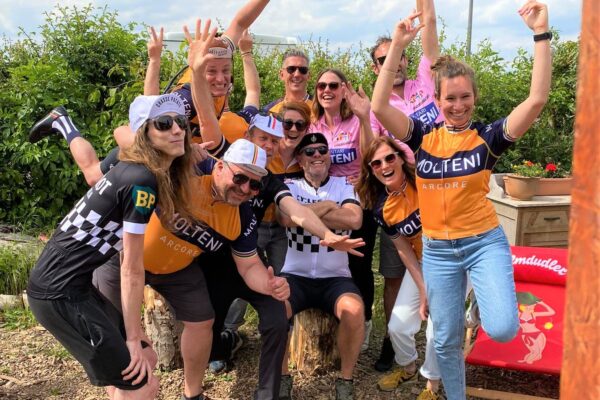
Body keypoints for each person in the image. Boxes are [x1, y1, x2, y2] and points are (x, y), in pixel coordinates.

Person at [371, 2, 552, 398]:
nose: (458, 106)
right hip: (438, 252)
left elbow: (537, 99)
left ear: (474, 96)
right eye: (450, 98)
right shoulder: (423, 138)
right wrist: (397, 46)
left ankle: (481, 302)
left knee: (502, 327)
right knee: (444, 340)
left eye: (465, 97)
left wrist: (541, 34)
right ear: (437, 99)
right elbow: (379, 106)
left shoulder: (487, 138)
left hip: (483, 243)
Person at [186, 22, 365, 398]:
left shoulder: (271, 178)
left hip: (253, 243)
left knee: (273, 301)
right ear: (249, 136)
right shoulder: (225, 154)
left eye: (275, 138)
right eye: (263, 137)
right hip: (214, 244)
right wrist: (201, 70)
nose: (269, 145)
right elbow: (213, 113)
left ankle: (270, 385)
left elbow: (292, 211)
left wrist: (327, 233)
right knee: (209, 316)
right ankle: (209, 365)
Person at [27, 93, 196, 400]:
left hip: (73, 285)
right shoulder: (142, 181)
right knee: (143, 384)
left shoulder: (132, 164)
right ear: (144, 134)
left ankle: (62, 122)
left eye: (181, 122)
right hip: (58, 293)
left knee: (147, 358)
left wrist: (134, 333)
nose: (177, 130)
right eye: (164, 123)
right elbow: (131, 267)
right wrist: (131, 336)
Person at [368, 0, 441, 371]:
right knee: (397, 273)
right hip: (405, 195)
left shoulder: (425, 80)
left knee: (443, 262)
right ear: (376, 67)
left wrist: (424, 7)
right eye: (385, 59)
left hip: (442, 185)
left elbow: (430, 27)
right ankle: (395, 346)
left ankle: (435, 370)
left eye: (398, 57)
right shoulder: (377, 107)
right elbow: (376, 154)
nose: (394, 63)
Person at [277, 133, 365, 400]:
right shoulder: (289, 186)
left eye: (322, 150)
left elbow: (354, 220)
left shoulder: (344, 184)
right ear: (300, 159)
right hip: (295, 275)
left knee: (355, 310)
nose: (317, 155)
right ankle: (282, 376)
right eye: (310, 151)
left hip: (335, 277)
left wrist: (305, 213)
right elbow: (285, 219)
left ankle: (345, 380)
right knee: (275, 309)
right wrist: (327, 205)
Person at [356, 136, 440, 400]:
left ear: (402, 159)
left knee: (437, 327)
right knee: (398, 326)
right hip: (423, 262)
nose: (384, 166)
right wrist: (423, 287)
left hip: (453, 257)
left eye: (389, 158)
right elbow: (404, 250)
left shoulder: (425, 181)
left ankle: (432, 386)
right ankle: (408, 367)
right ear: (371, 171)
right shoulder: (382, 208)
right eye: (376, 163)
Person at [309, 67, 377, 351]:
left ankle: (365, 322)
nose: (327, 90)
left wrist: (364, 118)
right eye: (321, 86)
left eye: (334, 85)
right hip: (327, 202)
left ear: (344, 90)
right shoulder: (312, 125)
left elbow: (372, 154)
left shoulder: (358, 120)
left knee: (358, 264)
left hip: (360, 202)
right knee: (330, 262)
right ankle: (334, 321)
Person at [263, 49, 313, 114]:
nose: (297, 74)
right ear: (281, 74)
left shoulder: (321, 109)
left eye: (303, 70)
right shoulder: (269, 112)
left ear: (309, 75)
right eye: (291, 69)